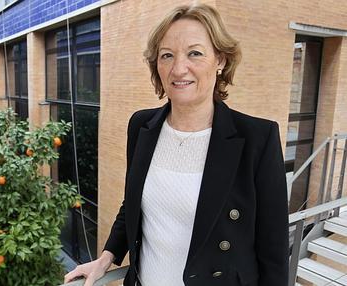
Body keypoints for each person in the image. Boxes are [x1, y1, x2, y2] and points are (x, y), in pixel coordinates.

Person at [64, 3, 288, 286]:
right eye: (167, 55)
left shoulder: (258, 138)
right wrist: (107, 256)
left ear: (220, 59)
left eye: (195, 53)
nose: (179, 68)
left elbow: (274, 252)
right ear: (156, 65)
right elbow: (132, 205)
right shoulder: (142, 126)